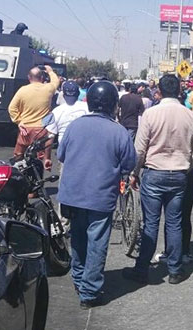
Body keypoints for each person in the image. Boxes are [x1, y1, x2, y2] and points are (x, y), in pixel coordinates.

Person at [57, 81, 136, 309]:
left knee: (78, 238)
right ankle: (90, 292)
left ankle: (80, 279)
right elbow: (129, 163)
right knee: (97, 242)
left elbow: (61, 155)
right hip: (101, 197)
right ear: (113, 105)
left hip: (72, 194)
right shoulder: (119, 131)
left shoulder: (74, 126)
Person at [122, 74, 193, 285]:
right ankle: (175, 270)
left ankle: (142, 269)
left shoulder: (151, 114)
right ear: (178, 91)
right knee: (174, 222)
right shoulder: (190, 115)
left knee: (151, 224)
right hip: (179, 174)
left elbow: (140, 149)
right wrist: (187, 167)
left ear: (159, 90)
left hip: (154, 173)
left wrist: (134, 172)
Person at [8, 65, 59, 169]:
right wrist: (50, 71)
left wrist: (19, 121)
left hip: (25, 129)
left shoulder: (22, 90)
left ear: (29, 77)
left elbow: (11, 108)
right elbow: (56, 81)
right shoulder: (48, 88)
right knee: (39, 156)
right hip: (41, 130)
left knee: (18, 156)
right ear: (42, 78)